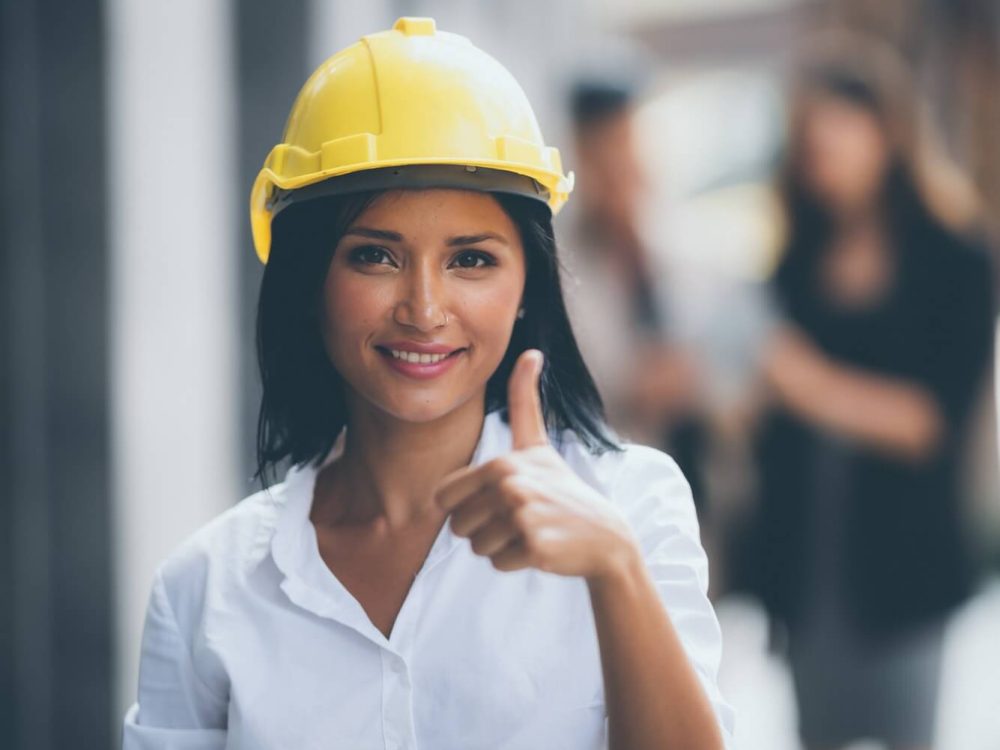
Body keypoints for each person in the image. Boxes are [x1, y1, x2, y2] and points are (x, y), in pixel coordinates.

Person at [121, 17, 734, 750]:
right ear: (307, 281)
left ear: (528, 288)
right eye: (376, 256)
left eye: (470, 260)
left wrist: (614, 569)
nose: (424, 308)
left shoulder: (631, 508)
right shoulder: (206, 588)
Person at [732, 33, 997, 750]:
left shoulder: (957, 260)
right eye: (807, 142)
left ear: (887, 131)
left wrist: (800, 380)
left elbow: (927, 422)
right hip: (806, 567)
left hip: (905, 569)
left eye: (833, 135)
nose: (819, 156)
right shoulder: (798, 261)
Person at [562, 75, 710, 515]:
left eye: (627, 147)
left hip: (697, 487)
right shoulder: (560, 260)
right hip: (608, 493)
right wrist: (633, 387)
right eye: (603, 154)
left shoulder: (683, 245)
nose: (620, 168)